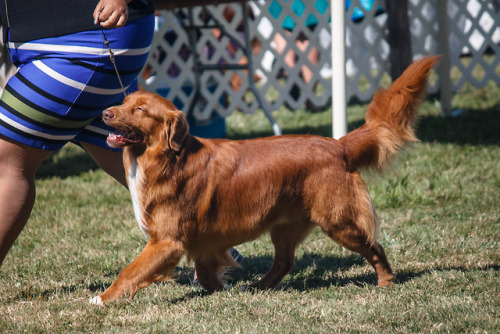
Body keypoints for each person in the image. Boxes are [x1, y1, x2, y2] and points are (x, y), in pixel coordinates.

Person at [0, 0, 155, 266]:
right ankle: (213, 250)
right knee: (140, 168)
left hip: (87, 43)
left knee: (8, 161)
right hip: (58, 43)